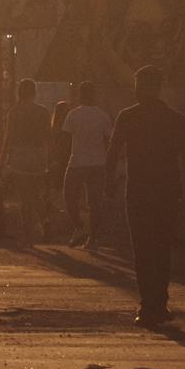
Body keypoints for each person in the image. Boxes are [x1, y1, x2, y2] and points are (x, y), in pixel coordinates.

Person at [108, 64, 185, 329]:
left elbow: (112, 154)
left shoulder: (127, 116)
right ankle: (160, 302)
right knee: (163, 247)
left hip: (138, 191)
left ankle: (148, 305)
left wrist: (108, 187)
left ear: (142, 87)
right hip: (168, 190)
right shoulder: (175, 118)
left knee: (142, 248)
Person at [58, 81, 113, 248]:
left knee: (69, 196)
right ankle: (93, 238)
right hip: (98, 162)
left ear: (80, 95)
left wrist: (58, 160)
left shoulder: (73, 115)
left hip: (77, 162)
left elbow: (65, 140)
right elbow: (109, 139)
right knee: (95, 202)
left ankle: (79, 227)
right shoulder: (103, 115)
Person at [2, 79, 51, 244]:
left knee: (24, 195)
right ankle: (45, 220)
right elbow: (48, 136)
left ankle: (27, 228)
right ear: (34, 92)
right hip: (38, 154)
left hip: (20, 154)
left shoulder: (14, 112)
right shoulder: (43, 112)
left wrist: (2, 161)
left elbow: (8, 137)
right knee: (36, 193)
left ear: (19, 92)